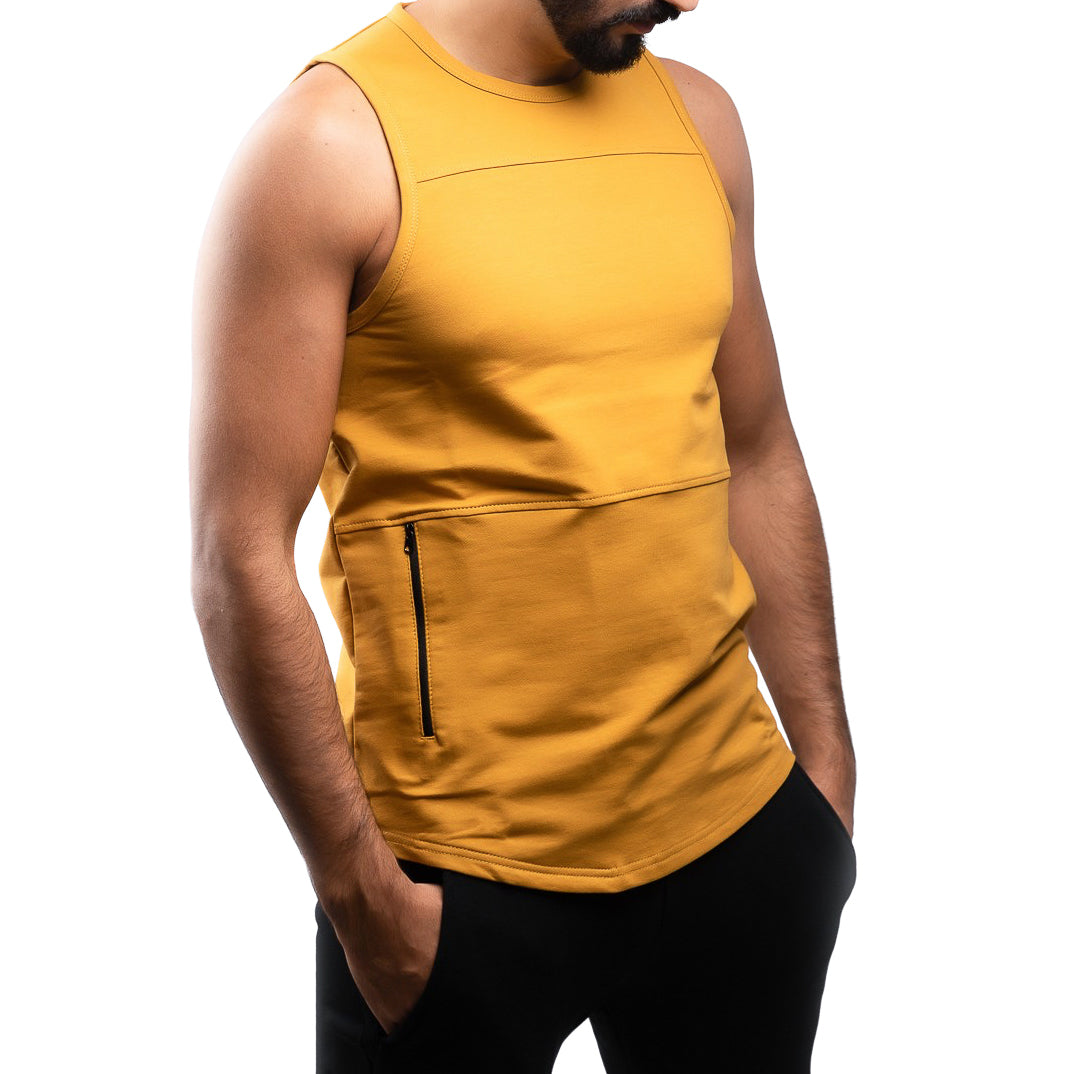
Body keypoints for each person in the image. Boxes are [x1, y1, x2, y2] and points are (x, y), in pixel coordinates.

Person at [189, 1, 858, 1070]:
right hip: (455, 886)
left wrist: (824, 773)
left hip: (740, 843)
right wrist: (365, 901)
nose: (690, 1)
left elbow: (760, 444)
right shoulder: (331, 146)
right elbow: (238, 556)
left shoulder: (702, 123)